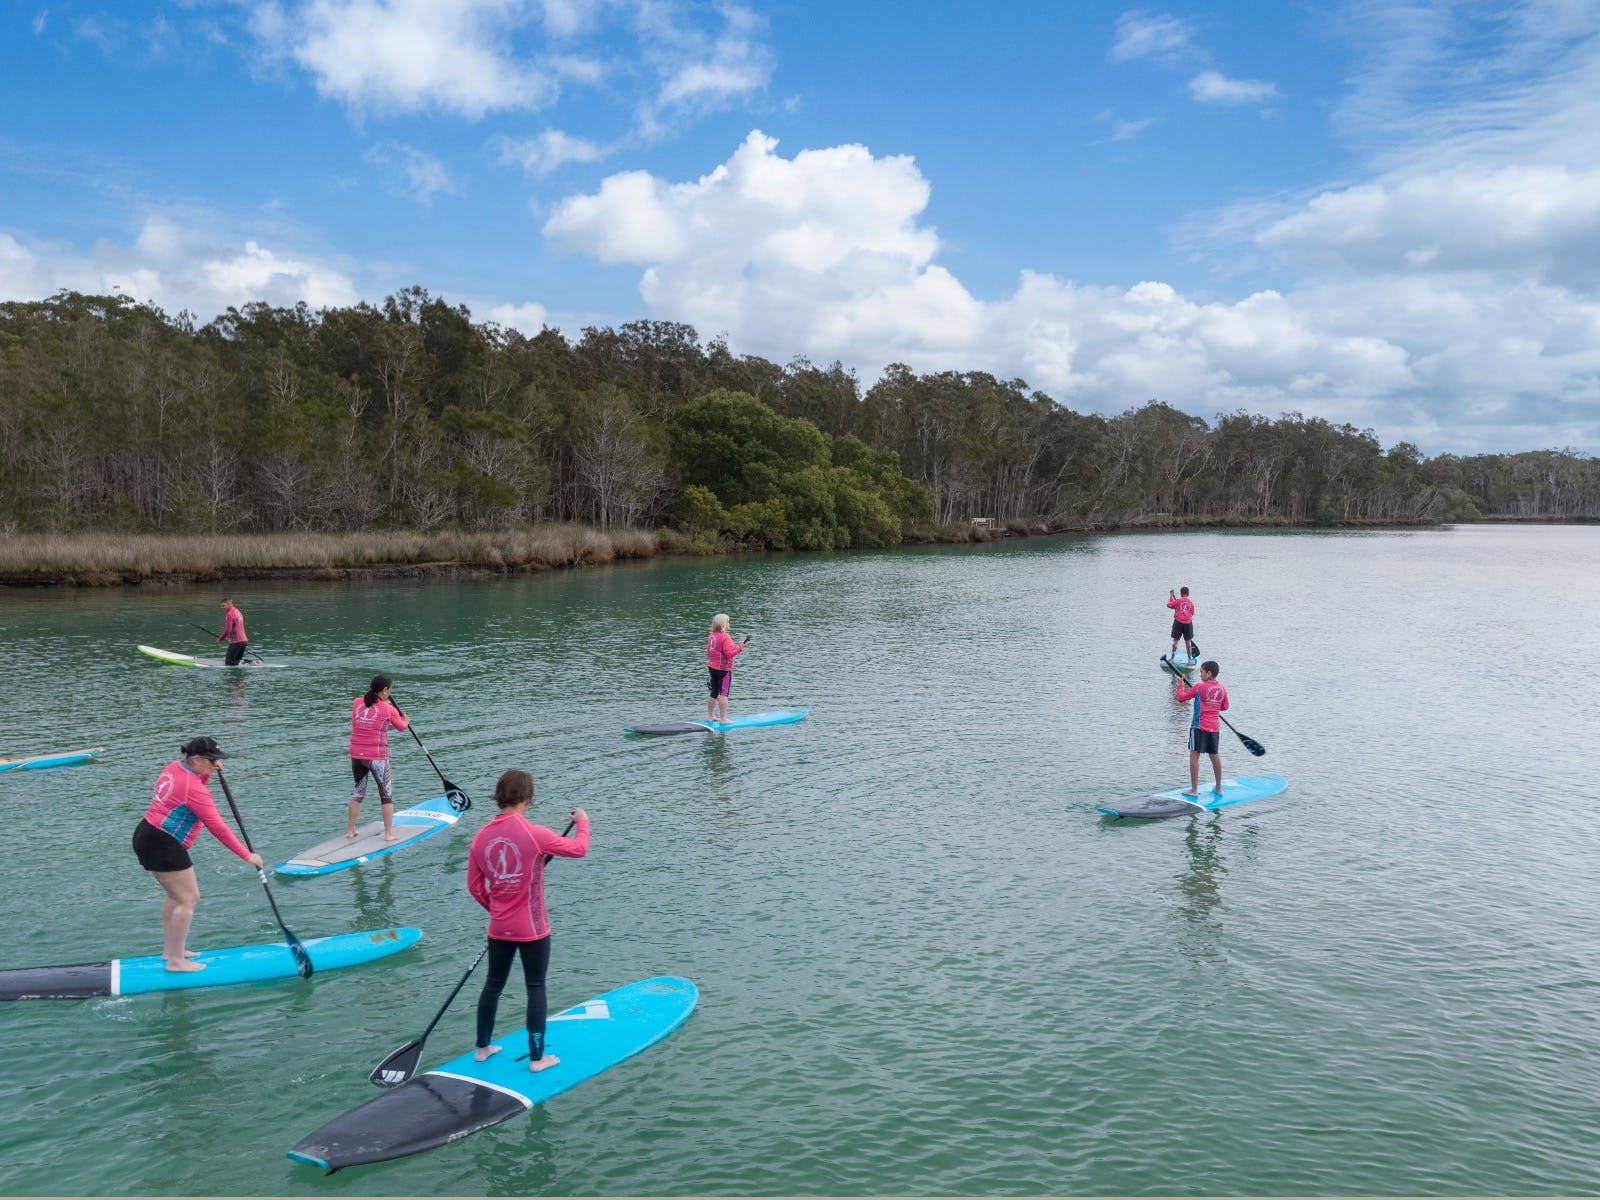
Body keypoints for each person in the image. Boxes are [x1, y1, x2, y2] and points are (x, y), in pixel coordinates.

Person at [467, 770, 590, 1071]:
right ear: (527, 797)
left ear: (499, 797)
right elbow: (579, 849)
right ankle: (537, 1059)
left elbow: (474, 887)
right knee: (535, 986)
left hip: (499, 927)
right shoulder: (536, 834)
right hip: (532, 928)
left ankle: (482, 1048)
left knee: (493, 985)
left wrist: (496, 909)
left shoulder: (480, 838)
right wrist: (582, 821)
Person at [131, 737, 264, 973]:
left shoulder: (175, 767)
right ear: (197, 759)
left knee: (176, 898)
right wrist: (246, 855)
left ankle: (171, 952)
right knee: (187, 899)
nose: (216, 765)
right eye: (212, 761)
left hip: (148, 833)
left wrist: (209, 773)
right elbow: (218, 828)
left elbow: (192, 786)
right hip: (163, 843)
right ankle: (176, 962)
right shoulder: (193, 790)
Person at [349, 674, 409, 841]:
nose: (390, 693)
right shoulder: (388, 709)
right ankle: (388, 833)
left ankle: (351, 830)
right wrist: (405, 719)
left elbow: (368, 708)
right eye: (390, 690)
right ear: (385, 690)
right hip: (377, 757)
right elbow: (402, 727)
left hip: (356, 755)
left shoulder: (357, 702)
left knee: (358, 792)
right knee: (386, 795)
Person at [1175, 660, 1229, 799]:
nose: (1200, 675)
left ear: (1209, 673)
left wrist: (1180, 684)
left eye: (1202, 672)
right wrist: (1213, 705)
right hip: (1214, 728)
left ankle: (1194, 790)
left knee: (1194, 756)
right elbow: (1225, 707)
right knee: (1214, 756)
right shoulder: (1222, 688)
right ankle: (1218, 788)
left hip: (1198, 727)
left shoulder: (1199, 687)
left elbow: (1181, 698)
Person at [706, 613, 750, 723]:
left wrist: (736, 647)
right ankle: (723, 718)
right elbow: (729, 654)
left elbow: (709, 651)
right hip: (723, 670)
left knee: (714, 692)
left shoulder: (711, 636)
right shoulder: (725, 637)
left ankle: (710, 716)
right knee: (724, 693)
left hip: (712, 667)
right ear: (724, 624)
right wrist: (740, 648)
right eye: (728, 622)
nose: (729, 624)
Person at [1167, 587, 1197, 663]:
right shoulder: (1191, 603)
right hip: (1188, 624)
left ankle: (1172, 659)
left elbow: (1169, 605)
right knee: (1188, 642)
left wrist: (1171, 596)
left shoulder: (1178, 601)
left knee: (1175, 641)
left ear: (1181, 593)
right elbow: (1192, 613)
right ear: (1188, 593)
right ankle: (1189, 660)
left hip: (1178, 623)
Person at [217, 598, 249, 666]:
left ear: (229, 604)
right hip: (244, 641)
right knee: (237, 661)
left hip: (236, 642)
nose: (222, 608)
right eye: (221, 606)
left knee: (228, 662)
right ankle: (253, 662)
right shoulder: (237, 611)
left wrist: (220, 639)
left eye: (223, 606)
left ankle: (251, 663)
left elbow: (228, 630)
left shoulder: (230, 614)